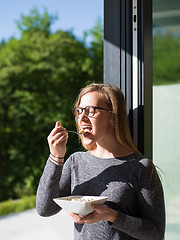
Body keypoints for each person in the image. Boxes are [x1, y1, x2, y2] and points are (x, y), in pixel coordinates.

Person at [36, 83, 165, 240]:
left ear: (113, 116)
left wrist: (112, 215)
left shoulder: (141, 168)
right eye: (79, 111)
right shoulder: (76, 161)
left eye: (91, 111)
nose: (82, 118)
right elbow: (45, 209)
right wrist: (56, 157)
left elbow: (156, 234)